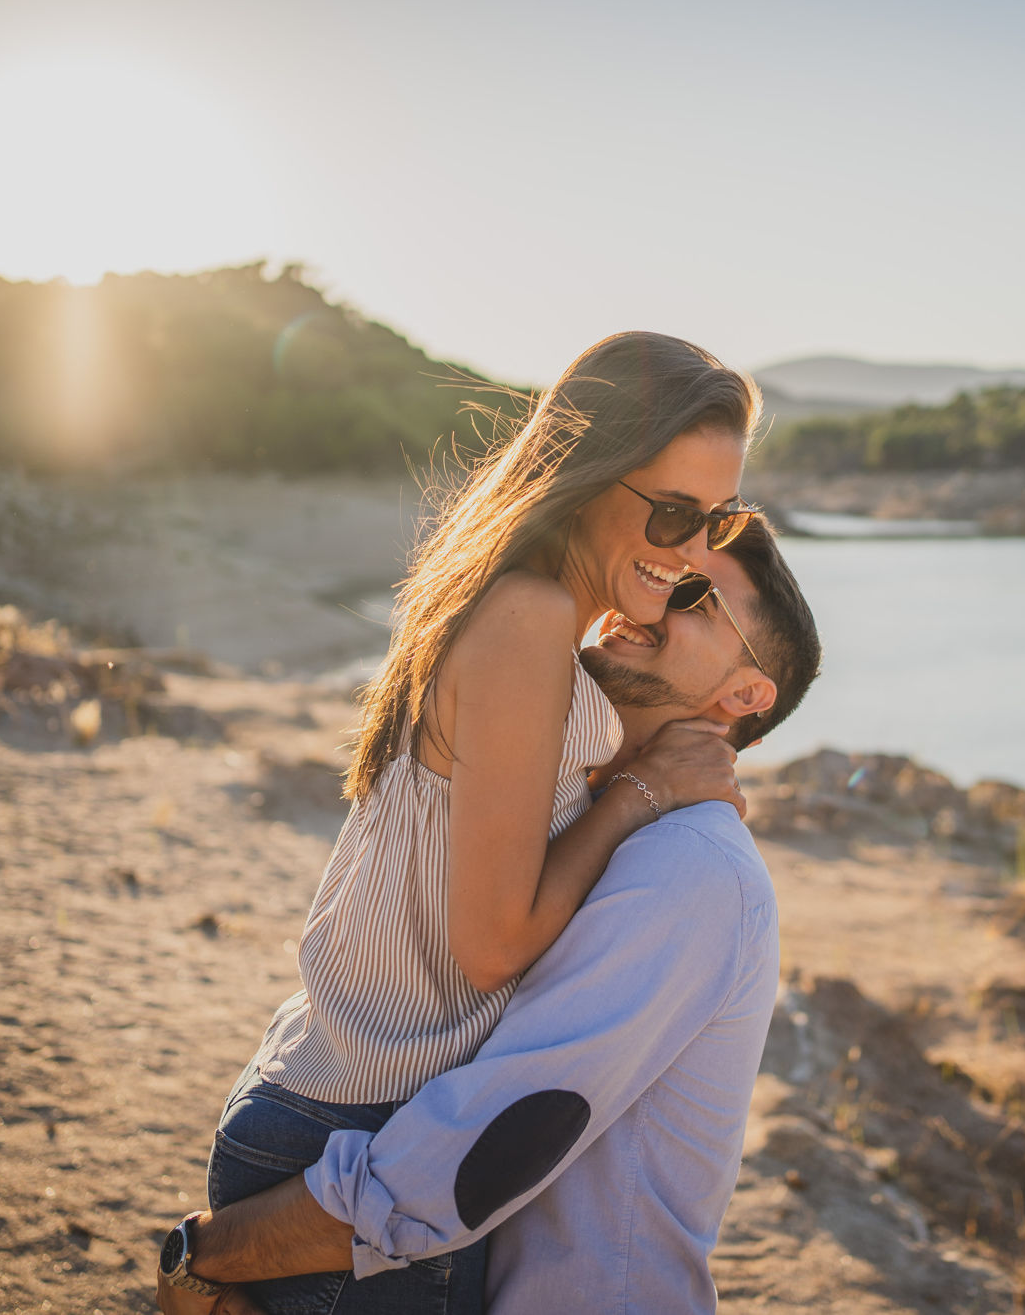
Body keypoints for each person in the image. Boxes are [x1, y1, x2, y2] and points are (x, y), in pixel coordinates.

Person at [188, 332, 769, 1312]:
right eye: (673, 514)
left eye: (717, 520)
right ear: (583, 474)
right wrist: (642, 793)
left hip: (344, 1104)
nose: (693, 554)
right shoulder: (532, 618)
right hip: (351, 1129)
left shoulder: (530, 608)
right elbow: (494, 942)